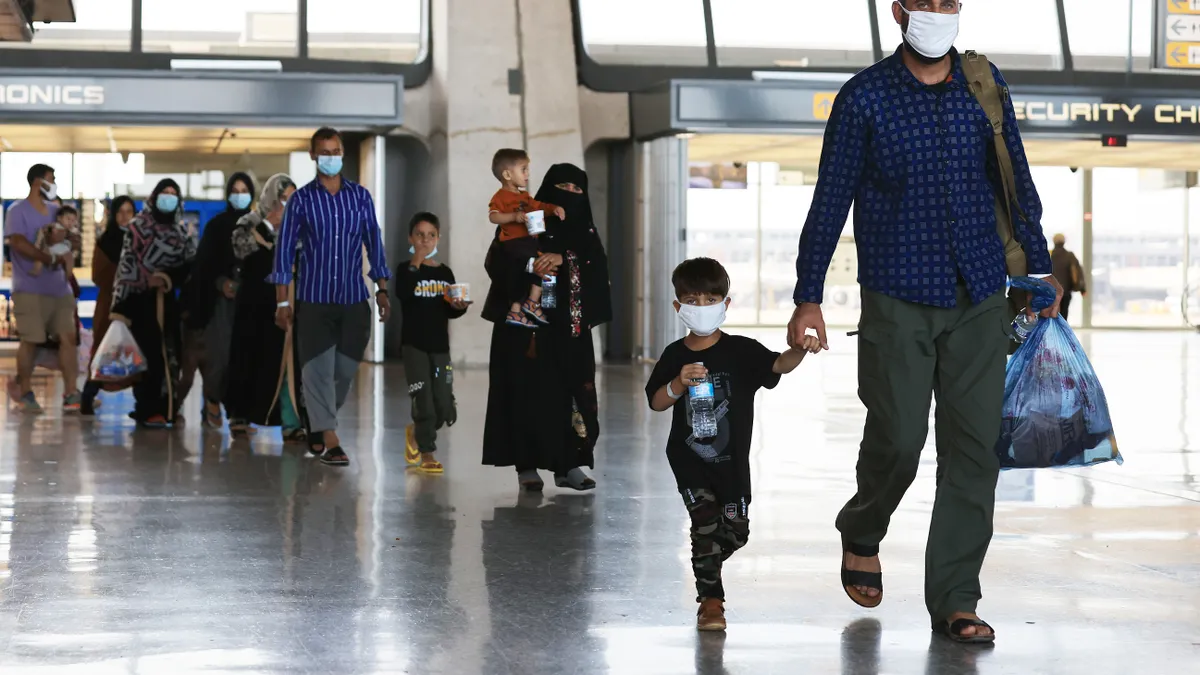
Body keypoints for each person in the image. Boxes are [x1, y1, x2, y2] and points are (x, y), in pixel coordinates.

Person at [786, 0, 1063, 644]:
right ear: (898, 11)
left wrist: (1040, 266)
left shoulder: (982, 85)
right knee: (900, 439)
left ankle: (955, 598)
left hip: (979, 296)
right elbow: (831, 197)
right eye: (925, 2)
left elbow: (1013, 177)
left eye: (948, 2)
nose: (936, 12)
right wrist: (808, 295)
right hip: (898, 296)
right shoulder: (864, 98)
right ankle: (862, 526)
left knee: (973, 455)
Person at [646, 257, 822, 632]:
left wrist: (802, 349)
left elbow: (778, 366)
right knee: (704, 524)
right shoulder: (675, 355)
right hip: (688, 458)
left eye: (711, 300)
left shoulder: (741, 350)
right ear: (679, 307)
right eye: (693, 300)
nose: (703, 307)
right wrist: (678, 384)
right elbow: (656, 401)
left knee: (735, 532)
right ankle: (711, 604)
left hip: (732, 464)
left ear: (726, 305)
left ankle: (705, 559)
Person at [482, 163, 613, 492]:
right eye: (561, 188)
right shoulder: (528, 218)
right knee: (526, 394)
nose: (568, 195)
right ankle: (526, 465)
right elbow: (497, 260)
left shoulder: (586, 232)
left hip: (569, 331)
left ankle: (569, 464)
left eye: (576, 189)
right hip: (528, 331)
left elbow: (597, 273)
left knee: (570, 395)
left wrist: (563, 258)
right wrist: (532, 263)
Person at [271, 127, 390, 467]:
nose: (330, 157)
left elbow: (374, 244)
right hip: (314, 300)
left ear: (342, 154)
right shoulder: (301, 200)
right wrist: (282, 301)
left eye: (335, 151)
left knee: (344, 370)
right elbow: (283, 254)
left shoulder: (361, 197)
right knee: (318, 370)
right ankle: (330, 436)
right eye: (323, 152)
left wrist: (382, 288)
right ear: (313, 156)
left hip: (354, 299)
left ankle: (316, 421)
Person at [224, 173, 311, 442]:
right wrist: (266, 225)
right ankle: (240, 415)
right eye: (283, 199)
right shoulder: (248, 222)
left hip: (285, 304)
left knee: (286, 363)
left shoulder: (299, 227)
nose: (286, 206)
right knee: (247, 359)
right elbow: (239, 249)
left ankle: (290, 422)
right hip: (253, 305)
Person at [111, 179, 196, 428]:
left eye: (173, 194)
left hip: (168, 302)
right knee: (149, 356)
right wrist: (141, 285)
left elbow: (189, 267)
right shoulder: (137, 228)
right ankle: (148, 408)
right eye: (164, 193)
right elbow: (127, 264)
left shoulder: (181, 233)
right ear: (154, 197)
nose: (168, 198)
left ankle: (169, 406)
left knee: (172, 355)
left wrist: (167, 278)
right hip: (140, 302)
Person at [3, 164, 80, 412]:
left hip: (60, 290)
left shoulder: (57, 210)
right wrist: (47, 258)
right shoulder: (17, 211)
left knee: (68, 338)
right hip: (29, 288)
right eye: (52, 179)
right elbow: (17, 243)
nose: (54, 183)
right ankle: (24, 390)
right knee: (32, 340)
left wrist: (73, 240)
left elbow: (70, 236)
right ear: (38, 182)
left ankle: (71, 392)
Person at [397, 212, 471, 474]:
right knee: (424, 400)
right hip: (414, 346)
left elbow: (450, 309)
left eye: (431, 235)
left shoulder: (445, 272)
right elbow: (403, 293)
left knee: (444, 405)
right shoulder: (406, 270)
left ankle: (417, 432)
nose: (425, 240)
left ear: (438, 238)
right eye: (420, 235)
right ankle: (427, 452)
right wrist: (416, 262)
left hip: (440, 348)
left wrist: (458, 306)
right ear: (411, 238)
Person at [186, 172, 256, 429]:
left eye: (244, 190)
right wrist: (221, 283)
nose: (240, 195)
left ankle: (240, 413)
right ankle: (213, 400)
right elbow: (204, 265)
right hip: (220, 304)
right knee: (221, 355)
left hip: (250, 304)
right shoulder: (217, 226)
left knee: (247, 357)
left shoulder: (257, 226)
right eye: (235, 190)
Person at [487, 148, 565, 328]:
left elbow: (539, 205)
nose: (527, 174)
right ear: (507, 174)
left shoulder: (525, 196)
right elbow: (493, 216)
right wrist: (513, 217)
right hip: (513, 244)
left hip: (530, 242)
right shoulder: (500, 196)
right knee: (526, 271)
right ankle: (516, 310)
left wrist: (553, 208)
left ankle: (531, 303)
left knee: (543, 268)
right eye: (523, 169)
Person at [81, 195, 137, 414]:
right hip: (109, 306)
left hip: (135, 305)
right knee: (103, 352)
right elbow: (99, 275)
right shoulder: (106, 241)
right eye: (120, 212)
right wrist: (125, 274)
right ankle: (89, 395)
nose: (124, 217)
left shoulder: (139, 239)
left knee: (137, 352)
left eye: (129, 212)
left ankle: (144, 404)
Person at [1051, 234, 1086, 321]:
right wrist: (1082, 289)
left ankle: (1052, 332)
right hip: (1065, 291)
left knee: (1051, 313)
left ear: (1053, 242)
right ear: (1064, 242)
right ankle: (1062, 332)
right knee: (1064, 313)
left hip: (1051, 291)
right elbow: (1078, 272)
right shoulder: (1070, 256)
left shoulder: (1049, 255)